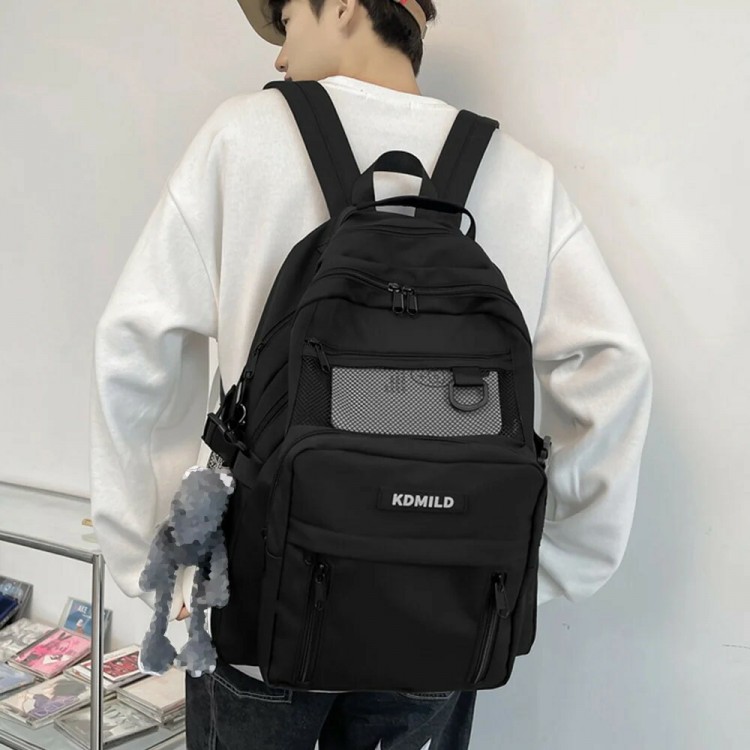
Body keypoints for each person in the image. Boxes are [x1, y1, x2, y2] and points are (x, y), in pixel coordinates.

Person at [89, 1, 654, 748]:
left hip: (264, 602)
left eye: (287, 20)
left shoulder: (242, 138)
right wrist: (542, 564)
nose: (279, 56)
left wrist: (161, 562)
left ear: (346, 6)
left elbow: (134, 348)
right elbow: (616, 369)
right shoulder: (522, 175)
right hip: (447, 609)